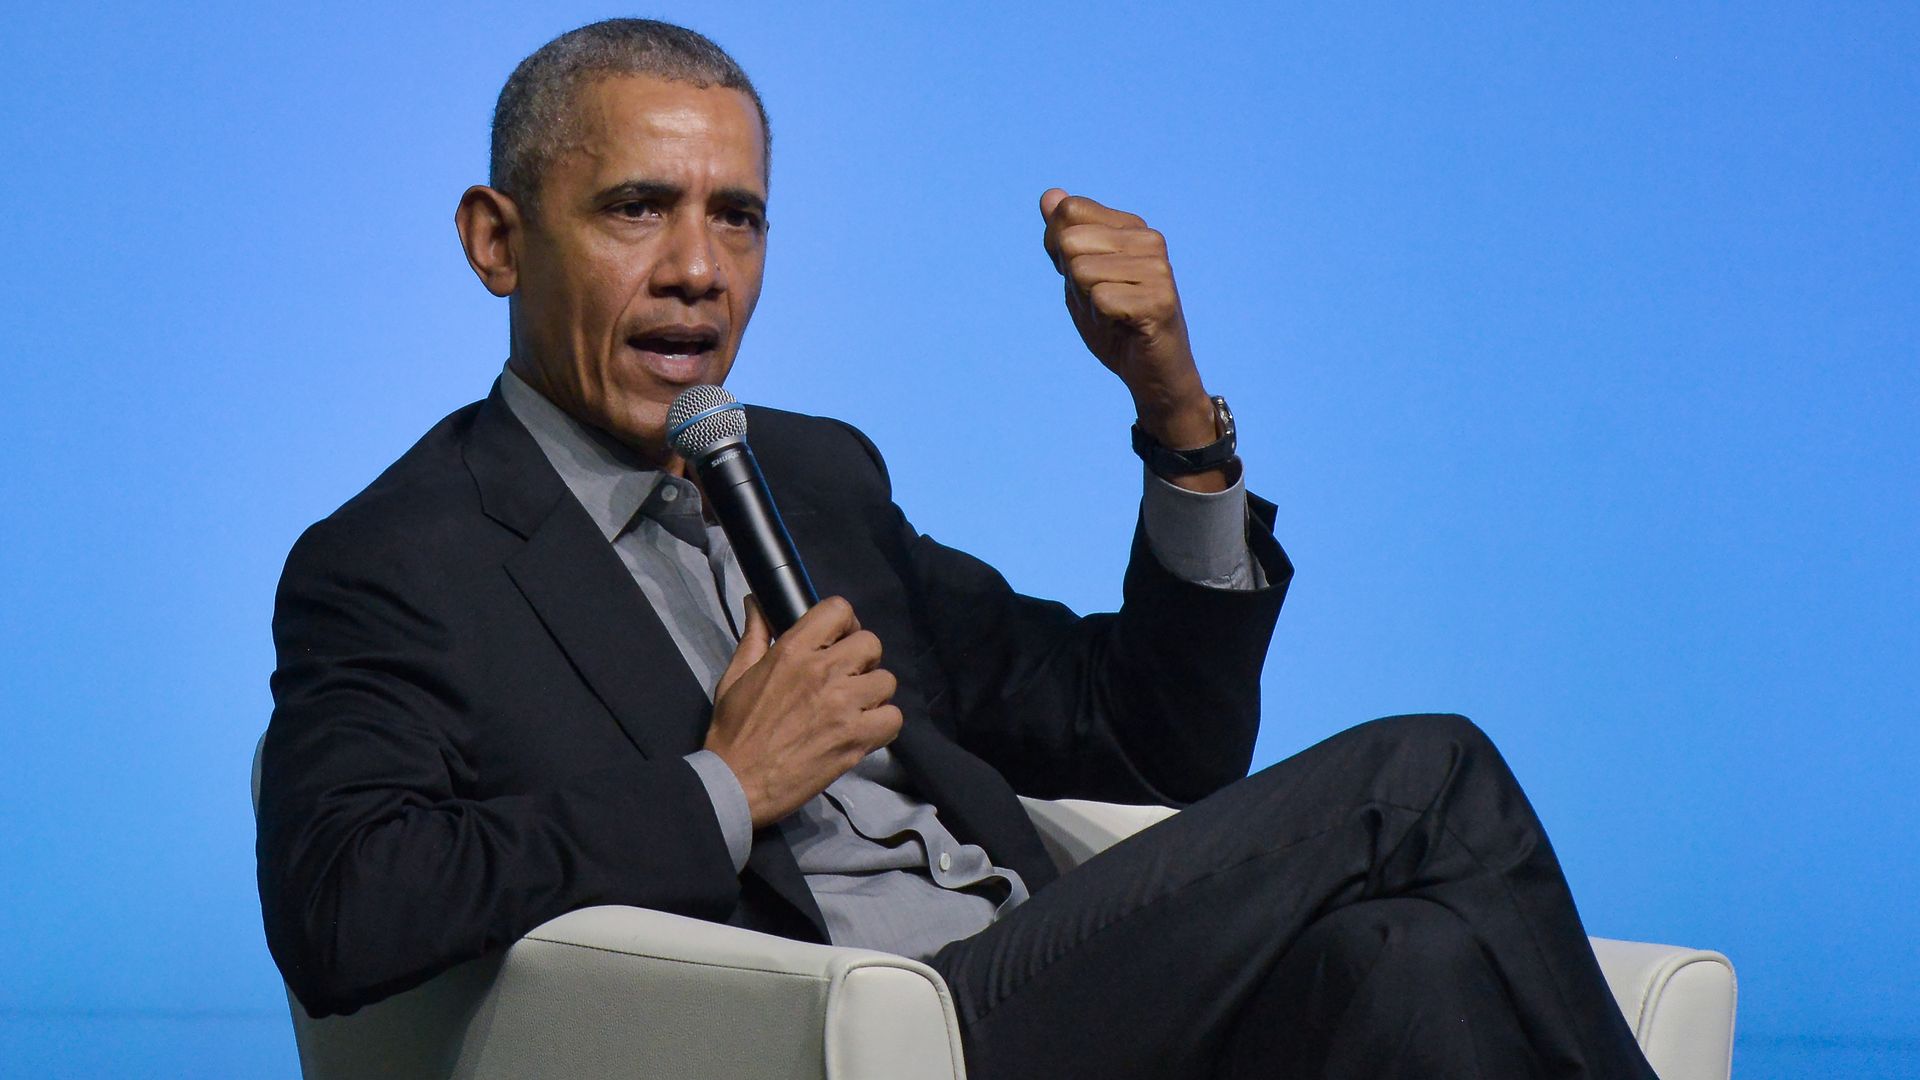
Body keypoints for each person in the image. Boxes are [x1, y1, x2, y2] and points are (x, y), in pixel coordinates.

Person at [256, 18, 1658, 1079]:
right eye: (638, 207)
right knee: (1425, 775)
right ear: (499, 242)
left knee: (1401, 961)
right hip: (882, 1033)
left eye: (735, 216)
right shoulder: (399, 560)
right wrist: (726, 786)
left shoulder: (810, 473)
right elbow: (343, 913)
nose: (699, 266)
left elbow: (1147, 738)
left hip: (1054, 976)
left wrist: (1175, 416)